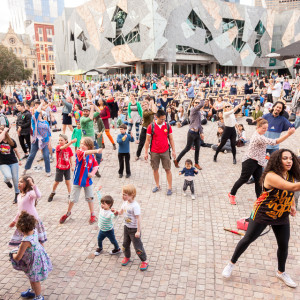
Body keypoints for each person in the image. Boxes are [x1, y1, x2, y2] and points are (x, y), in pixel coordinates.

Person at [222, 149, 300, 288]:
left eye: (291, 158)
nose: (289, 161)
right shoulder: (271, 176)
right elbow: (291, 186)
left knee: (283, 244)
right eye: (285, 158)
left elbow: (291, 190)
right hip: (263, 213)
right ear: (278, 160)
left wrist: (292, 205)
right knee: (247, 239)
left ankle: (281, 272)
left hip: (281, 214)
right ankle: (231, 264)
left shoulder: (290, 174)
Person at [228, 119, 295, 205]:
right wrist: (288, 134)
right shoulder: (258, 137)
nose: (265, 130)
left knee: (259, 181)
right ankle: (232, 194)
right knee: (243, 179)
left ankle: (259, 200)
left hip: (259, 162)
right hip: (250, 161)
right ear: (258, 127)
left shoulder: (261, 135)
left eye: (267, 128)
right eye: (263, 128)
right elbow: (274, 142)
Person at [10, 211, 52, 300]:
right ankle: (33, 291)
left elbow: (18, 257)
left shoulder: (25, 241)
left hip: (33, 262)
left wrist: (12, 254)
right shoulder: (34, 231)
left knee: (35, 280)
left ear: (21, 229)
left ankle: (39, 297)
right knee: (32, 276)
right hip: (37, 258)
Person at [59, 137, 101, 225]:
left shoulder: (92, 156)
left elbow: (96, 166)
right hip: (77, 180)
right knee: (73, 199)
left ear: (89, 146)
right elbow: (85, 153)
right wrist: (96, 151)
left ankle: (92, 214)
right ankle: (68, 212)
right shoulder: (79, 152)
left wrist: (92, 173)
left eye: (84, 144)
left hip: (87, 181)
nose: (82, 145)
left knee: (90, 197)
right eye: (81, 143)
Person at [113, 184, 148, 271]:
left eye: (125, 194)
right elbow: (121, 212)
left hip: (134, 229)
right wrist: (116, 212)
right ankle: (127, 256)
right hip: (126, 227)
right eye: (123, 194)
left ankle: (144, 260)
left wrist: (138, 231)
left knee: (137, 246)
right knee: (125, 244)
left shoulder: (135, 206)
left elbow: (138, 218)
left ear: (132, 195)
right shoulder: (124, 203)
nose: (123, 196)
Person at [144, 110, 176, 196]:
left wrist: (173, 150)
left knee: (168, 169)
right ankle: (157, 186)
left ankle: (169, 187)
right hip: (154, 151)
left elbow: (171, 139)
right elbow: (147, 140)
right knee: (155, 169)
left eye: (164, 119)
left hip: (165, 150)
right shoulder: (151, 126)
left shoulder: (168, 126)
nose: (163, 121)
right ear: (156, 117)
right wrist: (146, 152)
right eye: (161, 119)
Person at [9, 175, 47, 246]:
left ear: (27, 184)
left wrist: (33, 185)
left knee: (38, 241)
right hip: (23, 221)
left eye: (21, 182)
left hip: (32, 221)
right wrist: (14, 221)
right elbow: (20, 210)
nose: (19, 183)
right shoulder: (19, 196)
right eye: (18, 182)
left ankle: (41, 255)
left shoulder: (30, 194)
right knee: (24, 241)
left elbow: (39, 195)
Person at [174, 99, 204, 170]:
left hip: (197, 133)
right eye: (196, 103)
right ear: (193, 104)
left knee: (197, 149)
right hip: (191, 133)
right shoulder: (193, 110)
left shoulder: (199, 113)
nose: (197, 104)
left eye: (198, 103)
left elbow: (199, 124)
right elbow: (202, 104)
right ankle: (177, 161)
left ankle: (196, 163)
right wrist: (202, 97)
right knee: (187, 148)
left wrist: (201, 132)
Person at [24, 100, 51, 177]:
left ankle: (48, 171)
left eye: (37, 111)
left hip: (44, 141)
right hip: (35, 141)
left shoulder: (45, 122)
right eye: (35, 112)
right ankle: (26, 168)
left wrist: (49, 141)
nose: (36, 113)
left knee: (46, 156)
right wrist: (42, 103)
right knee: (31, 156)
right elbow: (36, 113)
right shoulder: (34, 120)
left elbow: (49, 132)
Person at [48, 135, 75, 202]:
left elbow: (70, 157)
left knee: (68, 182)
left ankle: (69, 194)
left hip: (67, 168)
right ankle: (53, 192)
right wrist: (71, 142)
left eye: (61, 140)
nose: (60, 141)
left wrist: (72, 165)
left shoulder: (69, 149)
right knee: (56, 182)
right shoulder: (58, 147)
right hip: (59, 168)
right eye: (59, 140)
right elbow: (63, 147)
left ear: (65, 141)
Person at [94, 187, 121, 256]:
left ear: (109, 205)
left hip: (109, 231)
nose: (101, 205)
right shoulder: (101, 208)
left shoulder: (110, 213)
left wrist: (115, 213)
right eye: (101, 203)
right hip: (102, 229)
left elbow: (114, 217)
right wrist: (98, 191)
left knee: (113, 240)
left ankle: (117, 249)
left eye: (103, 204)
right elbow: (99, 199)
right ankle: (100, 248)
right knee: (99, 239)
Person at [0, 126, 22, 203]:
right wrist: (3, 131)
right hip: (3, 163)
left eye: (1, 132)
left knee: (15, 179)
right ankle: (6, 181)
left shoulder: (11, 141)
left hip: (13, 162)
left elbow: (16, 151)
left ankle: (17, 194)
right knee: (8, 176)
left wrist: (20, 160)